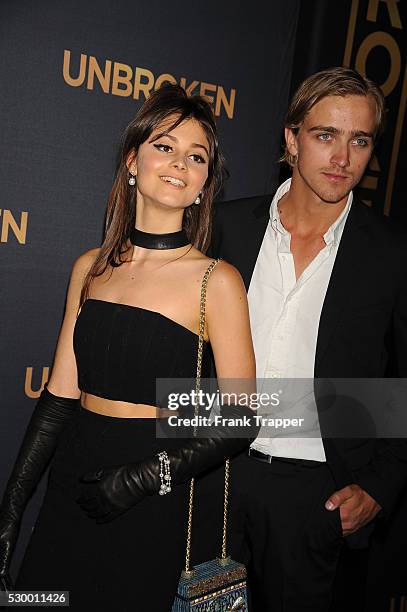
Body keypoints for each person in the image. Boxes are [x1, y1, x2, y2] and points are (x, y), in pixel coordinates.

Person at [0, 84, 257, 611]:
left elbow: (241, 418)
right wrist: (11, 507)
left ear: (206, 183)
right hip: (76, 473)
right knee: (45, 599)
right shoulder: (89, 267)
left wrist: (143, 478)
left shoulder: (217, 280)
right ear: (132, 160)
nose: (179, 164)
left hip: (156, 487)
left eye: (196, 156)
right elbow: (57, 400)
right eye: (164, 146)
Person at [211, 67, 407, 611]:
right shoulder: (225, 227)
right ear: (292, 140)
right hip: (214, 478)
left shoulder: (391, 253)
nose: (343, 158)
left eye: (360, 140)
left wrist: (382, 486)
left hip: (317, 497)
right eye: (326, 136)